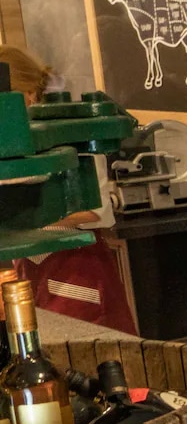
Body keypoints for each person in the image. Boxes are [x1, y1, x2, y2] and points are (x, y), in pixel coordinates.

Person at [0, 44, 138, 334]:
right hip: (28, 269)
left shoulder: (72, 139)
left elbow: (96, 211)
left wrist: (20, 218)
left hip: (76, 269)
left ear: (28, 94)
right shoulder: (9, 147)